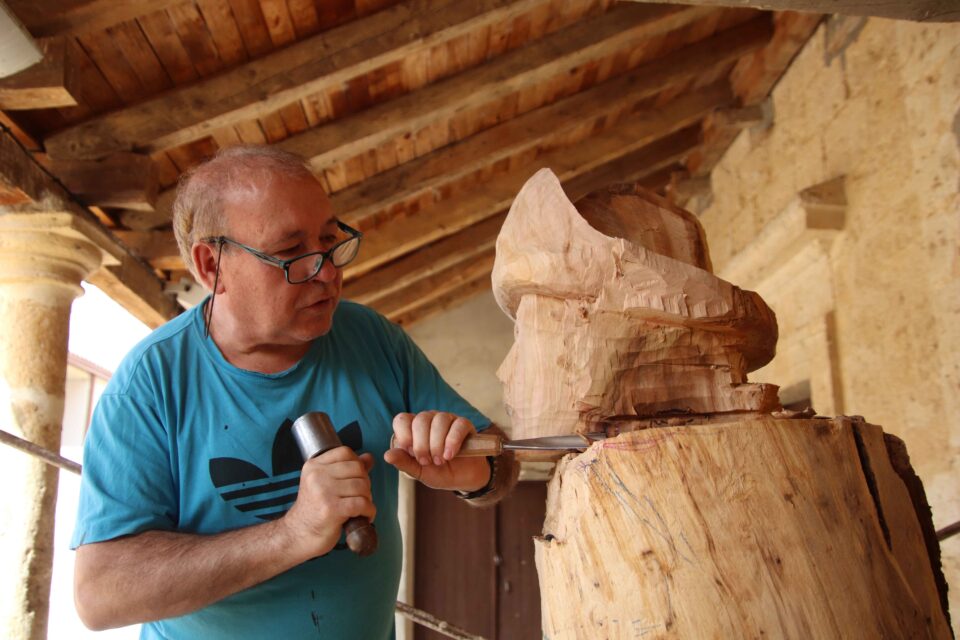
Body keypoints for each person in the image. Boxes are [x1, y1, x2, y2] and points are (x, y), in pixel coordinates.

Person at [71, 145, 519, 639]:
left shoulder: (372, 339)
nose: (326, 271)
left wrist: (473, 472)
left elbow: (501, 464)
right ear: (210, 265)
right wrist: (294, 533)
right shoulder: (151, 384)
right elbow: (101, 594)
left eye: (330, 241)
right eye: (291, 253)